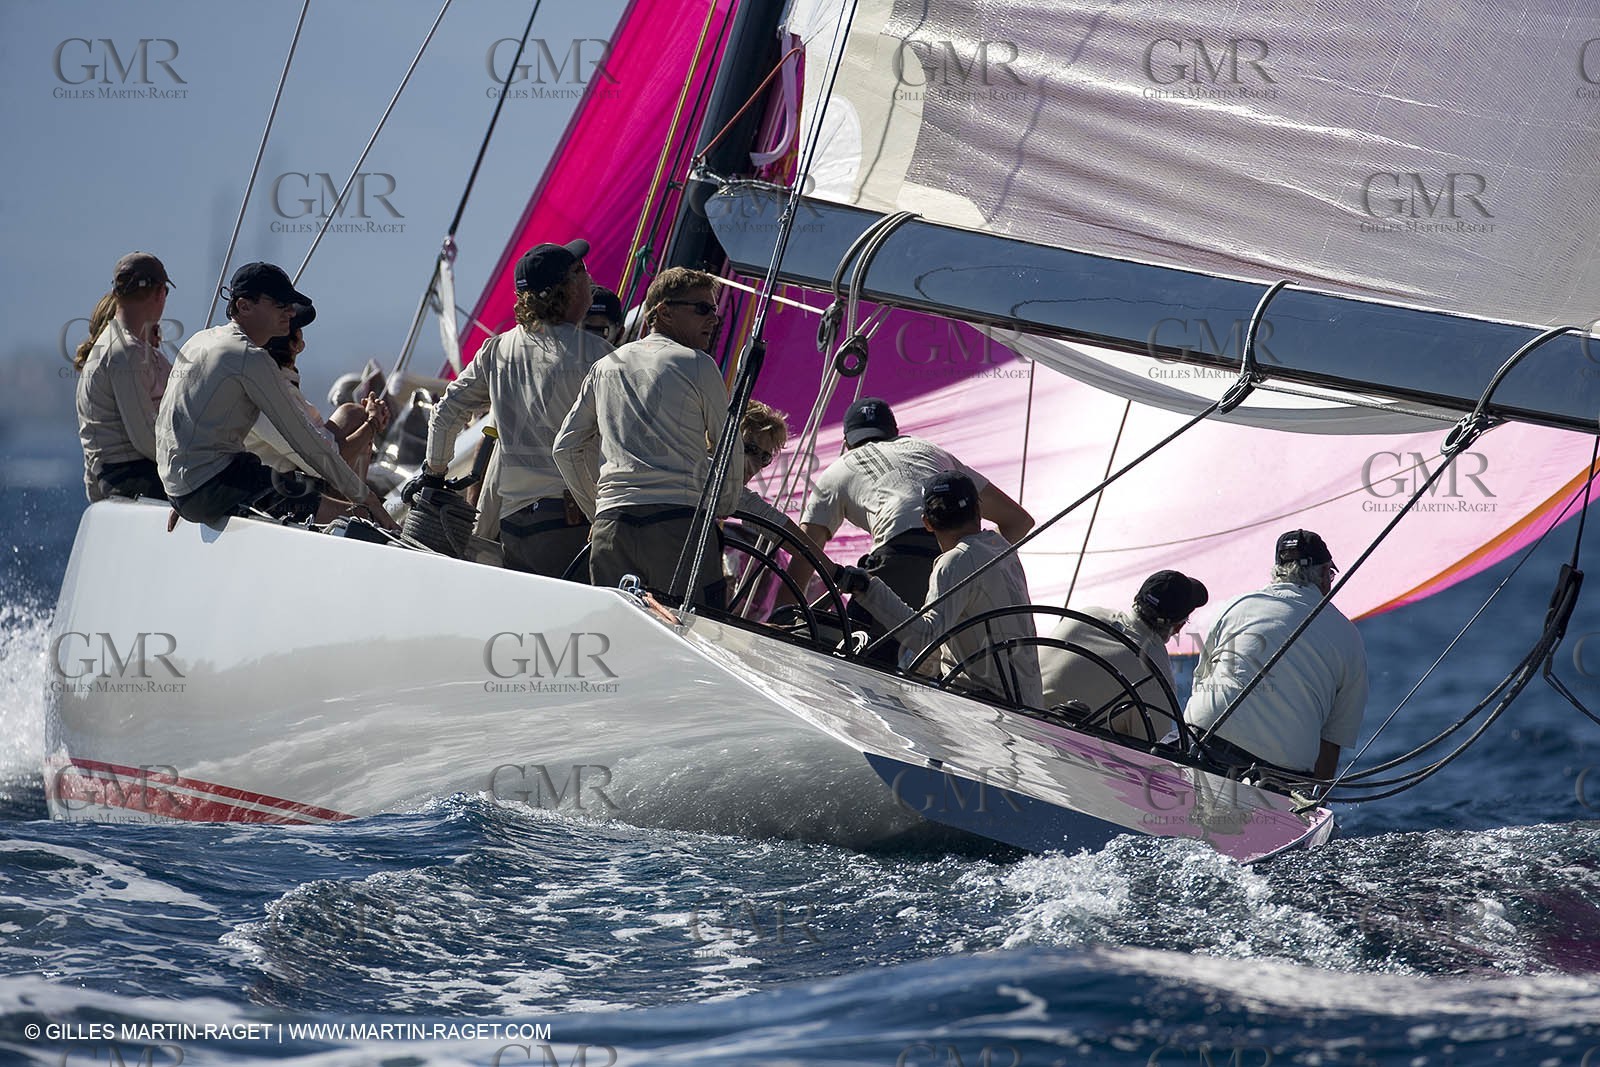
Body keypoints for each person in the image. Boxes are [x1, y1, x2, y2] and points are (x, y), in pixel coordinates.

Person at [408, 239, 609, 578]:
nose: (590, 279)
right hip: (571, 522)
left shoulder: (497, 350)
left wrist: (434, 472)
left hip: (514, 523)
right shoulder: (599, 355)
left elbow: (445, 415)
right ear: (567, 289)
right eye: (581, 271)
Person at [553, 265, 741, 607]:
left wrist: (598, 510)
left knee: (614, 643)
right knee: (691, 641)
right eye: (702, 309)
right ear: (664, 311)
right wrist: (723, 505)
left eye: (715, 310)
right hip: (678, 529)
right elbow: (728, 445)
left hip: (613, 528)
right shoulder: (698, 364)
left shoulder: (605, 366)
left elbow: (565, 448)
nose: (714, 319)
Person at [156, 262, 396, 530]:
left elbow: (167, 422)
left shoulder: (201, 339)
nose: (291, 312)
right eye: (280, 305)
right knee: (362, 518)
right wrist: (371, 503)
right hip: (212, 485)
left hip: (191, 485)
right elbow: (308, 445)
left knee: (302, 487)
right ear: (244, 306)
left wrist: (179, 490)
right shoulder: (249, 357)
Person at [789, 396, 1033, 650]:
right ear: (895, 432)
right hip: (961, 552)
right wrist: (973, 559)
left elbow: (805, 552)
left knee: (857, 653)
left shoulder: (837, 470)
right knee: (931, 657)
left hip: (897, 557)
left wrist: (783, 617)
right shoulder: (931, 451)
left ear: (846, 443)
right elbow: (1019, 522)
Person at [838, 471, 1043, 706]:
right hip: (1027, 701)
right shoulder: (1001, 549)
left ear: (926, 522)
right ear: (978, 510)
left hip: (986, 706)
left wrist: (867, 588)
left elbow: (925, 636)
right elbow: (941, 639)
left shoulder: (956, 560)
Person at [1183, 529, 1368, 778]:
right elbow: (1332, 739)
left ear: (1278, 569)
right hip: (1276, 771)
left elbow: (1202, 681)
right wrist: (1313, 802)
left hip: (1201, 741)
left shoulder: (1235, 606)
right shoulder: (1349, 636)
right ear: (1325, 574)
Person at [1037, 570, 1209, 742]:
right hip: (1062, 750)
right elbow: (1154, 751)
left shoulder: (1088, 614)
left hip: (1020, 718)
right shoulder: (1154, 670)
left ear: (1136, 598)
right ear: (1178, 627)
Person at [245, 305, 389, 502]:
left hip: (281, 481)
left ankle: (355, 506)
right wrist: (371, 423)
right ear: (298, 345)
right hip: (279, 494)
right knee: (355, 415)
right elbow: (325, 463)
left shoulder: (269, 383)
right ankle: (354, 509)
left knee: (353, 414)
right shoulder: (273, 392)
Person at [75, 252, 176, 502]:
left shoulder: (108, 346)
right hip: (136, 475)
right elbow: (145, 437)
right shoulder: (125, 352)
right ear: (160, 293)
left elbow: (94, 440)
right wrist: (195, 465)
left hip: (117, 479)